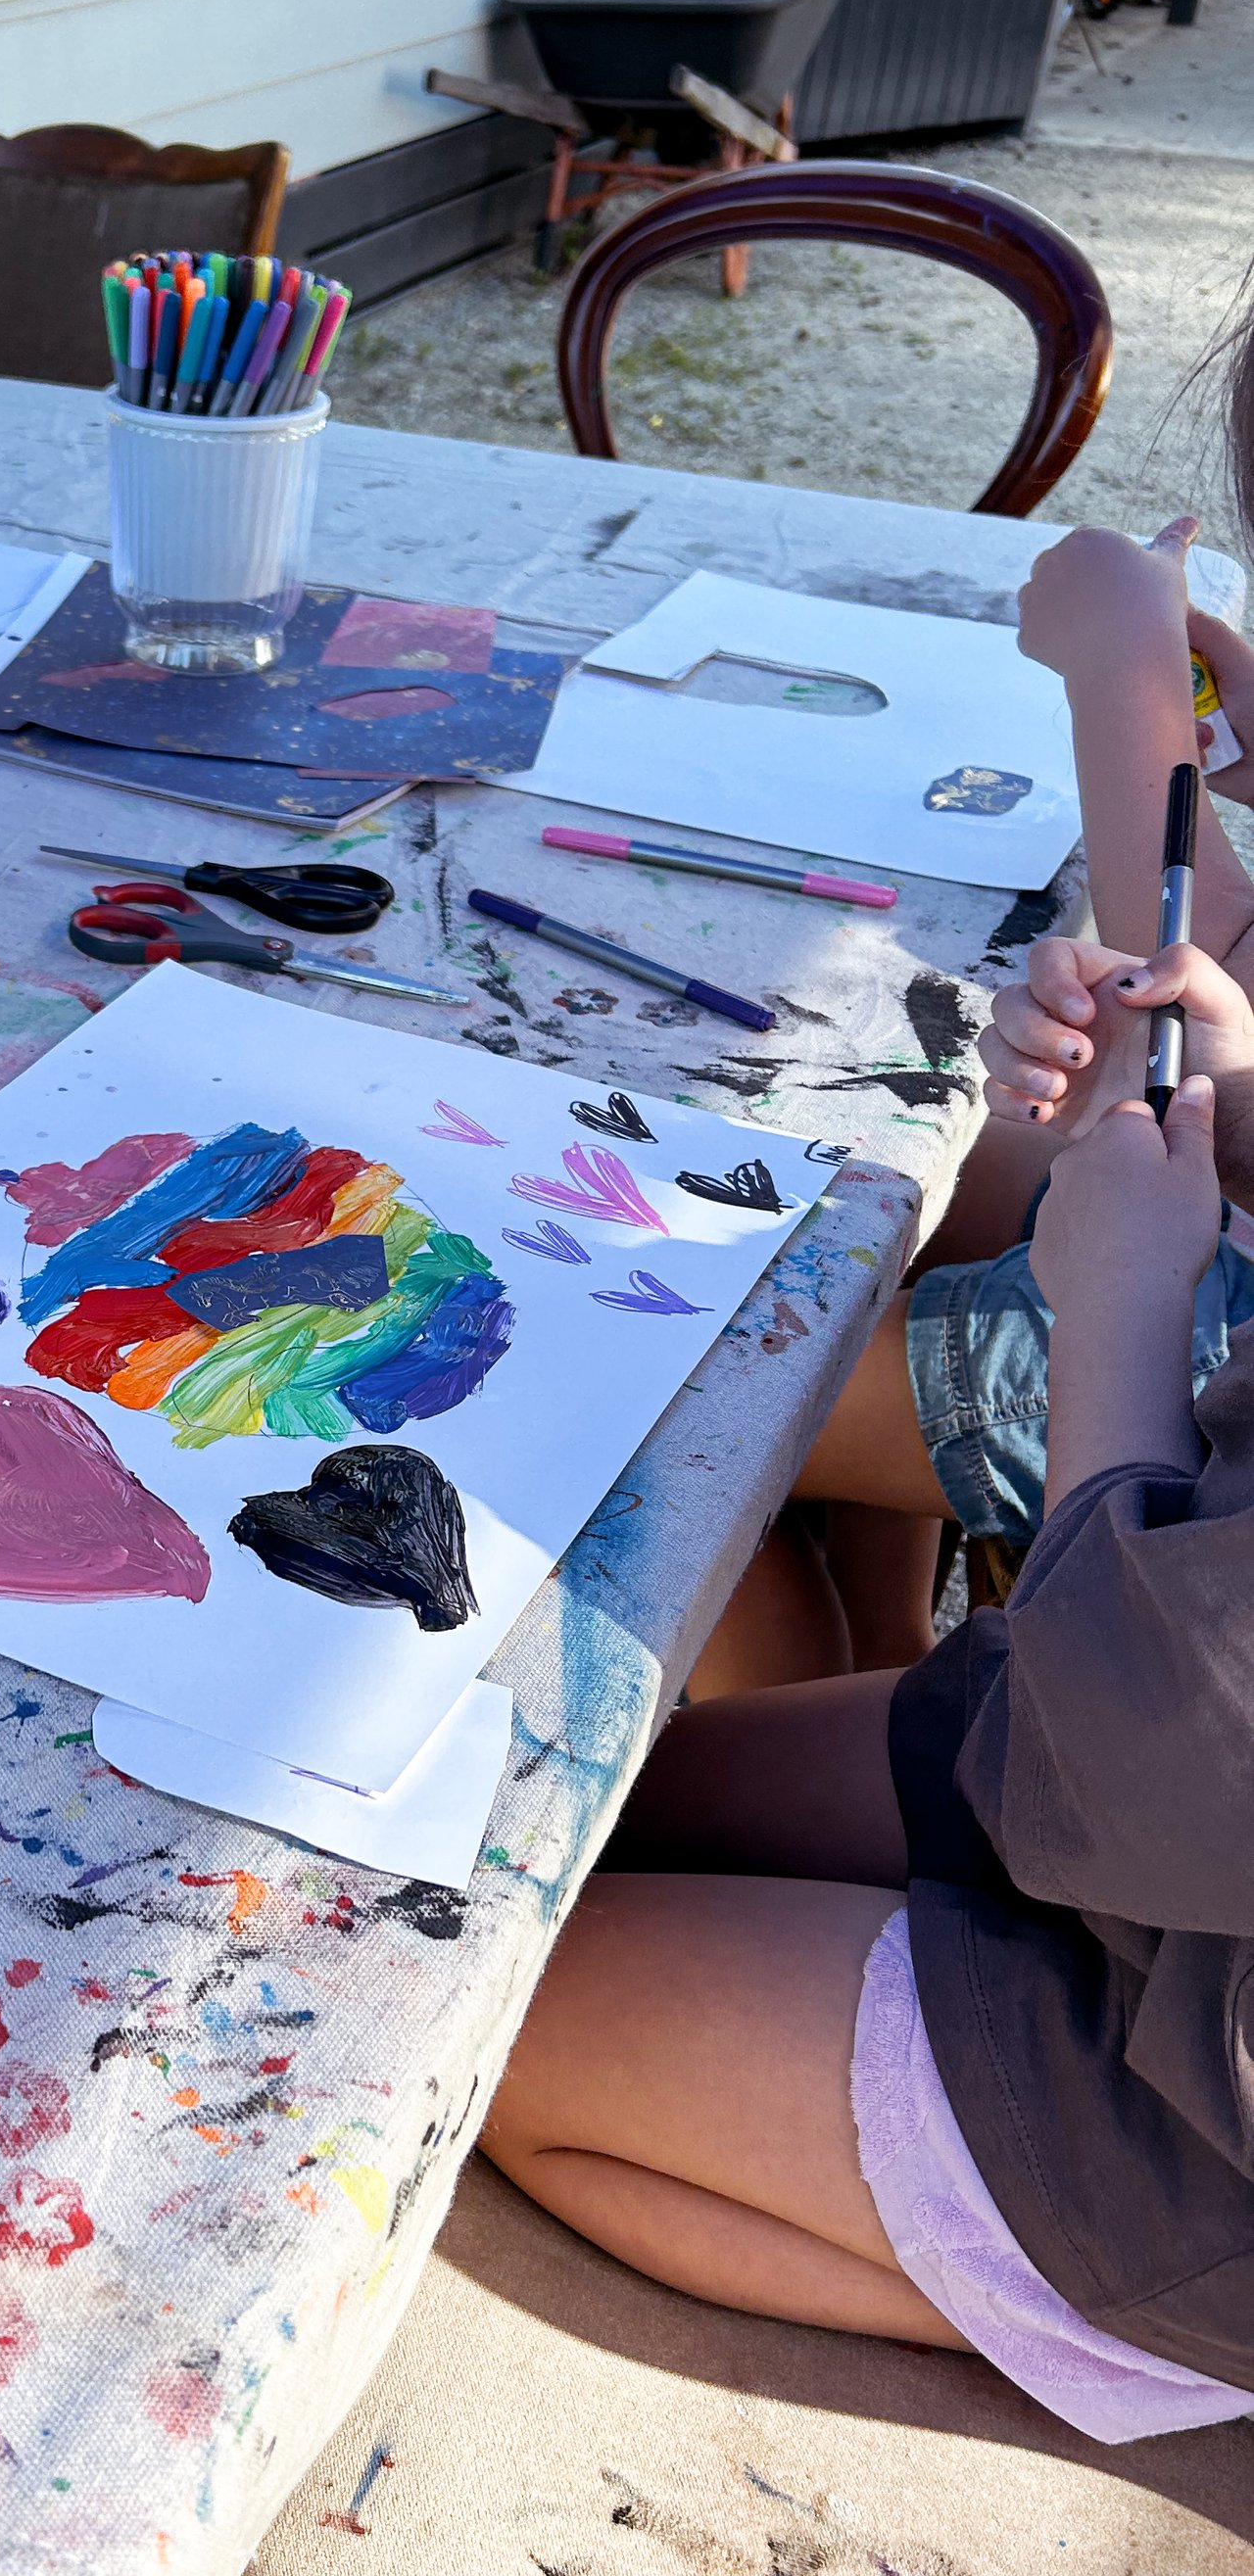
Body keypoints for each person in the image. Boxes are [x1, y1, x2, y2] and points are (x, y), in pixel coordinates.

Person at [478, 501, 1254, 2439]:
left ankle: (1130, 2330)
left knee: (476, 2036)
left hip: (1184, 2084)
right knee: (573, 1831)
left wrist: (1125, 1315)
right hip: (1137, 1738)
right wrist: (1220, 1101)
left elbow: (1157, 1744)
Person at [692, 515, 1254, 1693]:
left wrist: (1120, 670)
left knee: (690, 1402)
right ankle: (889, 1635)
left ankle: (801, 1740)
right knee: (896, 1172)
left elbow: (1197, 933)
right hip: (1213, 1213)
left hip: (1197, 1343)